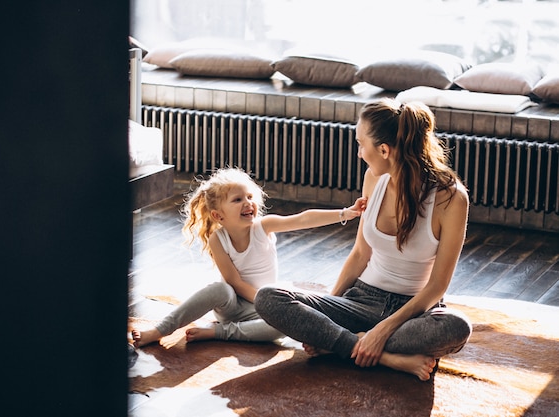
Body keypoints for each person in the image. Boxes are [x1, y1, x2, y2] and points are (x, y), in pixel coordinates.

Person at [254, 98, 473, 381]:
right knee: (269, 297)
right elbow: (360, 254)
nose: (359, 153)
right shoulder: (373, 178)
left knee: (456, 328)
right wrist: (326, 314)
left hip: (414, 312)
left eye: (361, 144)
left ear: (384, 150)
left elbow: (437, 285)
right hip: (361, 300)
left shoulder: (451, 198)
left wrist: (380, 331)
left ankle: (342, 344)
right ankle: (384, 357)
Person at [131, 167, 367, 348]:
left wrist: (345, 213)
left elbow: (302, 219)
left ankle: (219, 333)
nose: (248, 203)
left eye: (250, 197)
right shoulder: (218, 239)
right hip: (233, 306)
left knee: (283, 326)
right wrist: (267, 300)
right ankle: (161, 330)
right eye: (237, 200)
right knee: (219, 289)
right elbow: (234, 282)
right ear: (218, 215)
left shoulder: (263, 227)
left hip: (264, 309)